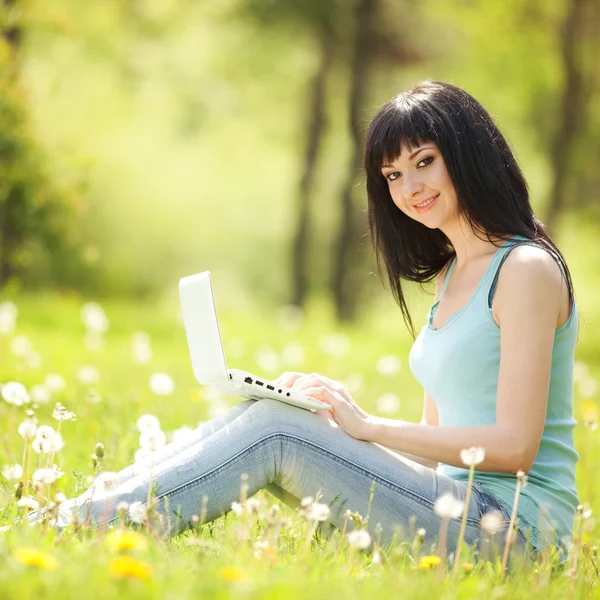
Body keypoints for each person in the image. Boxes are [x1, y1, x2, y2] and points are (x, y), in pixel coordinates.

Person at [42, 80, 580, 564]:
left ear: (467, 153)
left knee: (280, 432)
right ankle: (85, 508)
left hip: (514, 531)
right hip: (454, 503)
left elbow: (515, 447)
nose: (409, 187)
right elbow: (438, 443)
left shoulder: (525, 269)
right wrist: (336, 423)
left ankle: (91, 523)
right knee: (277, 410)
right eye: (392, 175)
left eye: (424, 161)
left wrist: (367, 427)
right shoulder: (450, 277)